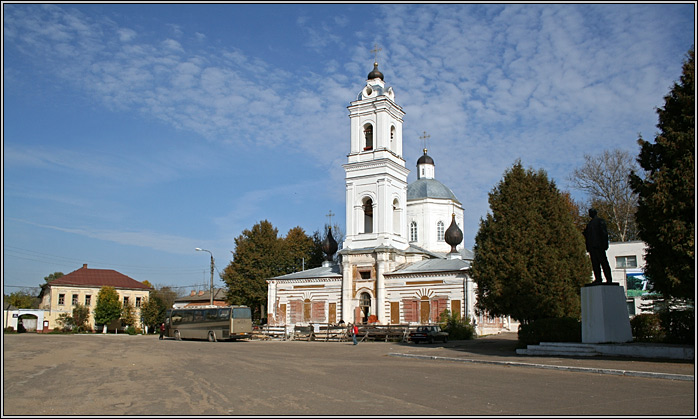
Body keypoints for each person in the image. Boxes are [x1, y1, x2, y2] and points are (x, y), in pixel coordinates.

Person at [583, 208, 613, 284]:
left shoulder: (600, 221)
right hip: (592, 247)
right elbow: (587, 235)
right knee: (595, 264)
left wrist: (605, 244)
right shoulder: (589, 224)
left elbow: (604, 233)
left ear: (594, 213)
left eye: (590, 213)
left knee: (603, 263)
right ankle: (598, 278)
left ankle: (608, 279)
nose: (589, 214)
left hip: (599, 246)